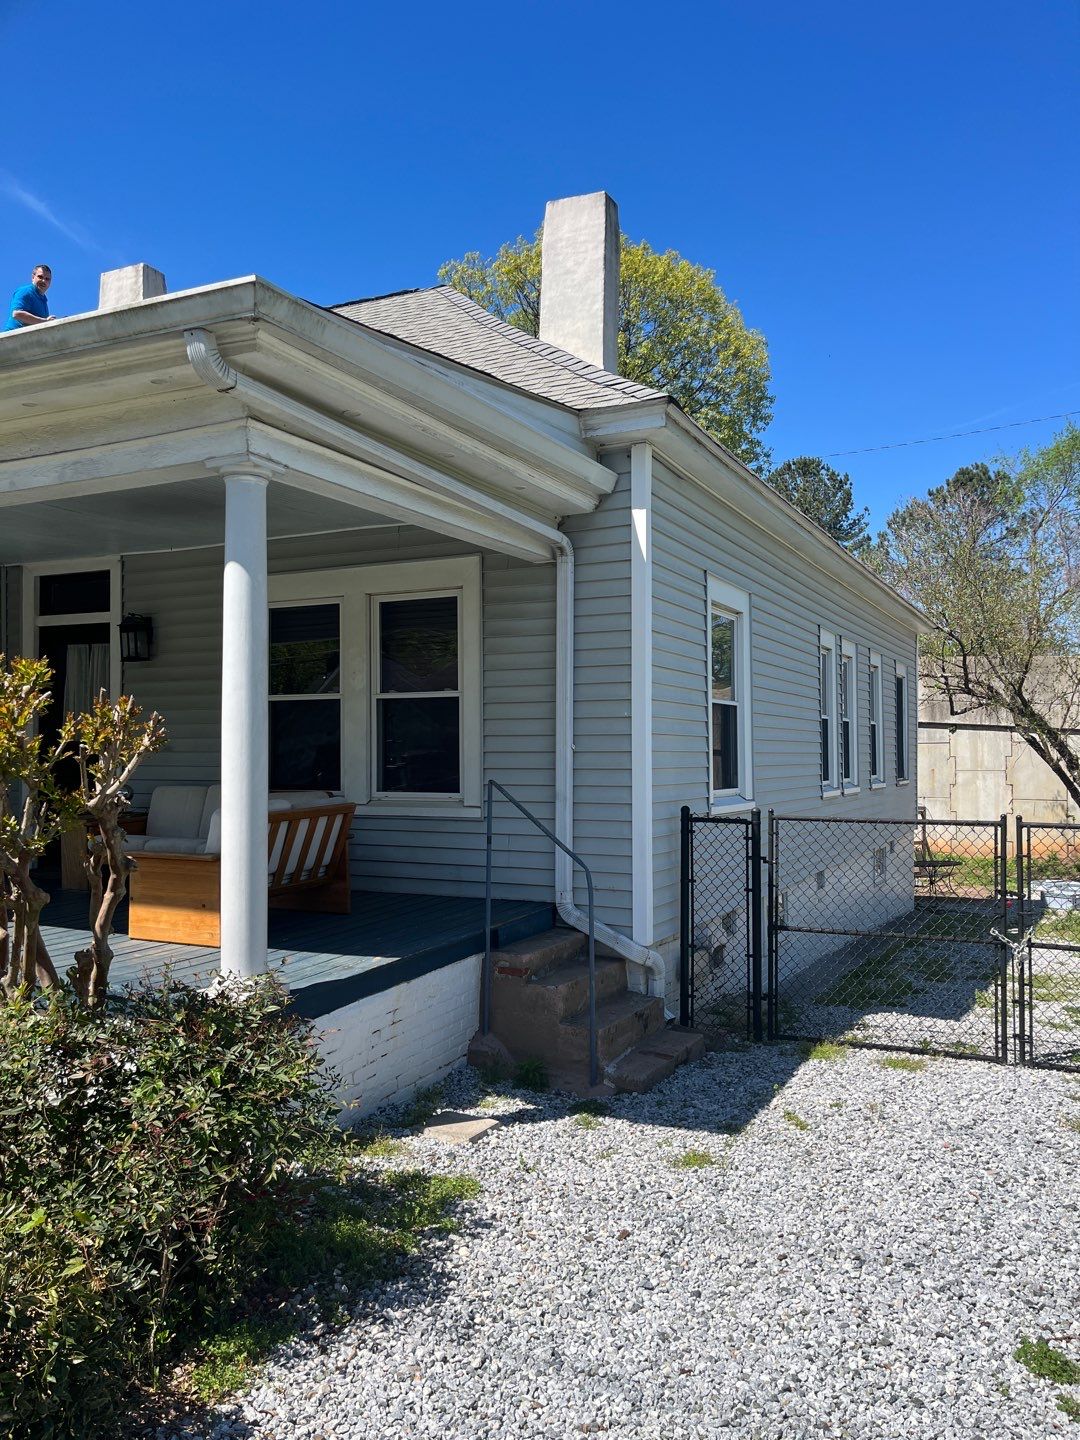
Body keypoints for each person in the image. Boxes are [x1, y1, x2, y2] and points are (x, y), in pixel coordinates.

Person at [3, 264, 55, 330]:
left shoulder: (43, 299)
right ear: (33, 277)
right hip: (14, 337)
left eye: (47, 279)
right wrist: (45, 321)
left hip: (29, 338)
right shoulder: (25, 291)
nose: (43, 281)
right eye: (40, 277)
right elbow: (17, 314)